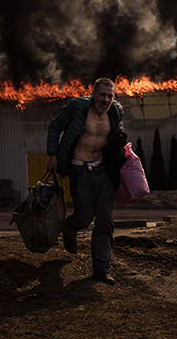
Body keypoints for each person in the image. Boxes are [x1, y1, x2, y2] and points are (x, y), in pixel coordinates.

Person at [46, 77, 128, 285]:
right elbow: (54, 127)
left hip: (102, 172)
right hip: (79, 170)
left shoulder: (115, 111)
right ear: (93, 94)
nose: (106, 99)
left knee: (104, 220)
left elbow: (117, 136)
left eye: (110, 96)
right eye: (102, 94)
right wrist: (53, 155)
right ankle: (70, 228)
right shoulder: (77, 107)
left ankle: (101, 269)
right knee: (84, 217)